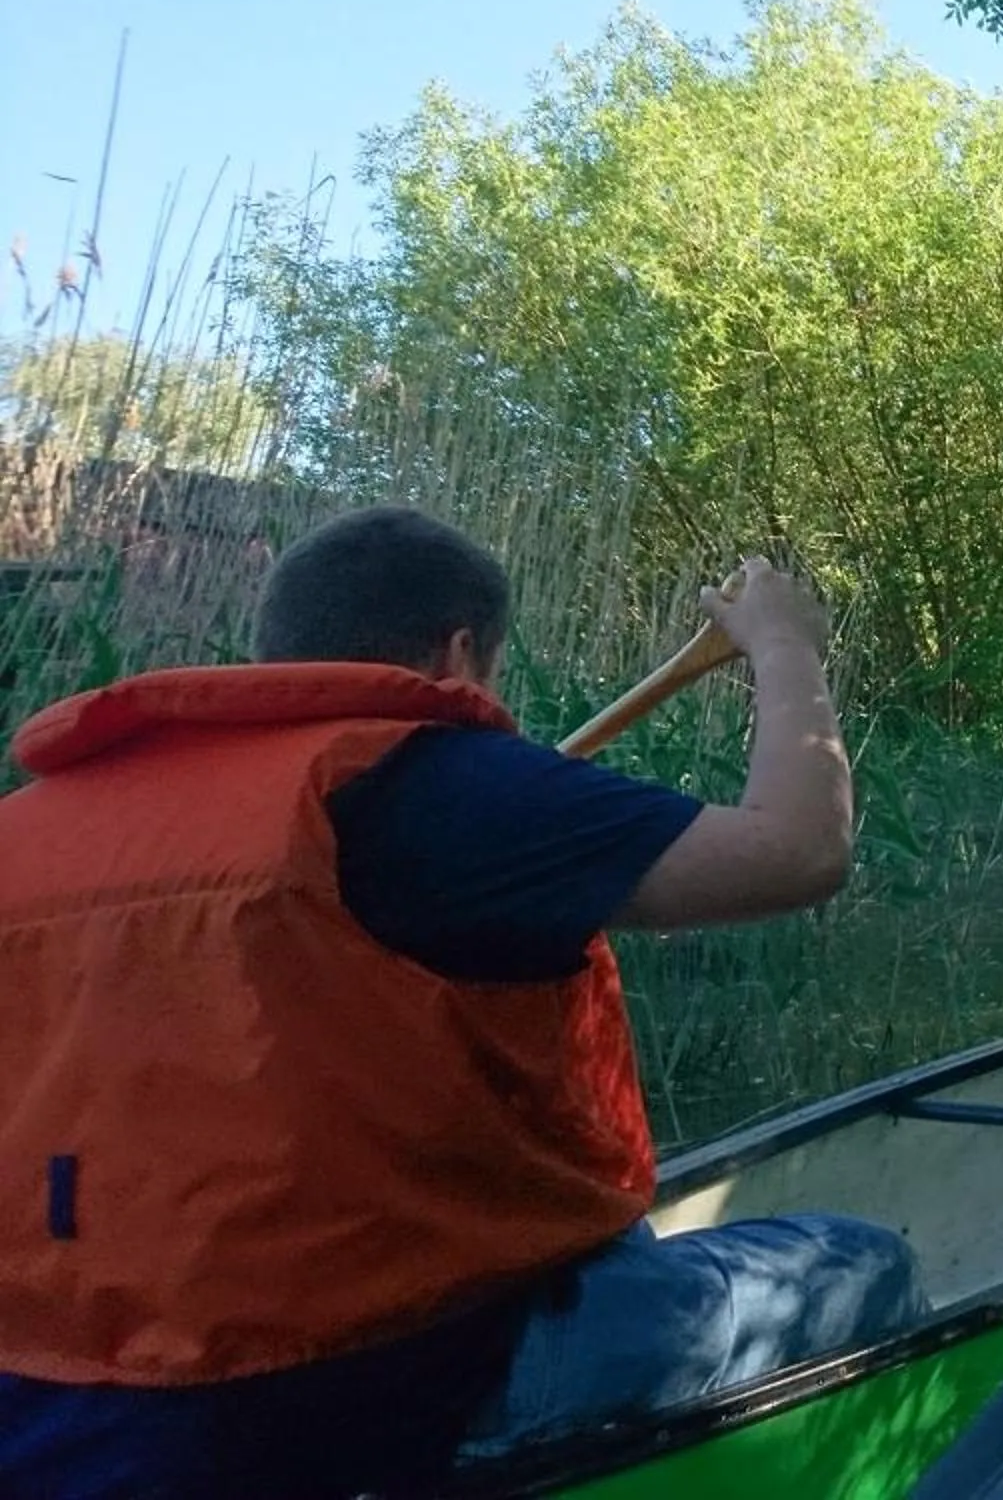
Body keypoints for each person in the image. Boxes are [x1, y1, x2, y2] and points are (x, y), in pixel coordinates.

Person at [0, 506, 926, 1499]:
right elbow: (799, 848)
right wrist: (784, 644)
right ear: (458, 653)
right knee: (867, 1260)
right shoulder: (432, 779)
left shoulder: (33, 826)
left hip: (53, 1399)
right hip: (359, 1393)